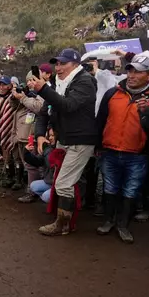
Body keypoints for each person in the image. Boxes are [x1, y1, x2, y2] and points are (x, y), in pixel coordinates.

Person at [95, 55, 149, 243]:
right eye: (130, 71)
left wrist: (147, 114)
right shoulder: (112, 93)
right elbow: (101, 120)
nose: (131, 75)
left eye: (137, 72)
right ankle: (108, 220)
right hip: (110, 150)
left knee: (131, 190)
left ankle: (123, 225)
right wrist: (98, 145)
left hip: (137, 154)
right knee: (110, 186)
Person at [29, 48, 97, 236]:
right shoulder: (58, 84)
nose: (58, 67)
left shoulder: (85, 82)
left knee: (64, 183)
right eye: (57, 63)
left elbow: (68, 106)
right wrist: (40, 134)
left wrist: (43, 89)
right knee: (63, 181)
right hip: (65, 138)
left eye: (63, 63)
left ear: (75, 64)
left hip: (80, 140)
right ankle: (63, 217)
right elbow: (45, 111)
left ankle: (63, 224)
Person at [13, 72, 45, 201]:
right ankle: (33, 190)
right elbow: (13, 108)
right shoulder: (27, 94)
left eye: (33, 80)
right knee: (28, 165)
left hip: (35, 134)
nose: (30, 83)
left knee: (35, 165)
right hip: (23, 133)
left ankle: (34, 192)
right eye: (28, 80)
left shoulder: (43, 93)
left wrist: (23, 98)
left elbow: (39, 107)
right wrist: (15, 96)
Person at [23, 127, 57, 203]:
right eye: (50, 135)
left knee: (46, 196)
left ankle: (55, 200)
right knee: (34, 186)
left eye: (53, 135)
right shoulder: (48, 149)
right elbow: (37, 161)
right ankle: (52, 198)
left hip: (60, 184)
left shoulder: (63, 150)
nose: (51, 138)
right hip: (50, 182)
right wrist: (27, 152)